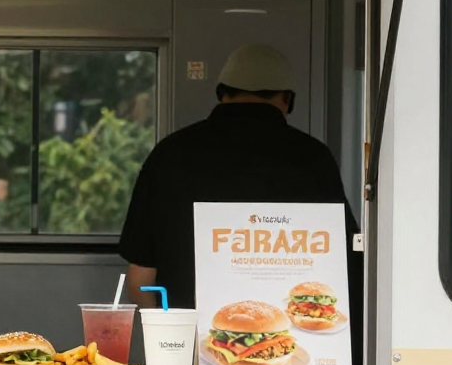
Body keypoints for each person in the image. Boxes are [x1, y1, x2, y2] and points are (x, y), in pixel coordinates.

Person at [118, 42, 359, 311]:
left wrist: (170, 341)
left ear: (221, 92)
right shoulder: (314, 158)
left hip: (187, 339)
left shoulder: (169, 155)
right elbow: (346, 262)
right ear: (288, 100)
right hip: (299, 340)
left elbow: (139, 281)